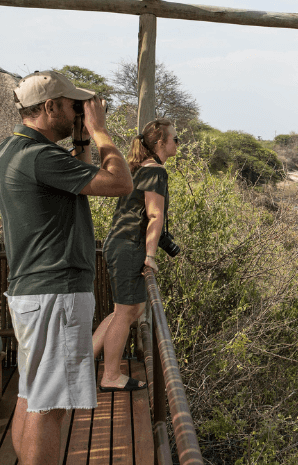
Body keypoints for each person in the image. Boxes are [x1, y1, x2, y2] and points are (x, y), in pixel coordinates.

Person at [0, 70, 132, 465]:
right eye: (73, 106)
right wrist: (101, 131)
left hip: (32, 291)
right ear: (49, 106)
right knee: (50, 406)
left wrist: (82, 139)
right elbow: (120, 183)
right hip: (56, 291)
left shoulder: (10, 150)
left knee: (33, 394)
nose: (79, 113)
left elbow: (75, 181)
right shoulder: (41, 157)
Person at [92, 119, 178, 392]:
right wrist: (150, 256)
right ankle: (110, 376)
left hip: (120, 243)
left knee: (126, 309)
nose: (178, 143)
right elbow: (154, 216)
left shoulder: (141, 168)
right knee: (127, 312)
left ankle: (83, 362)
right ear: (161, 143)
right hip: (129, 245)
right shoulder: (156, 172)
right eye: (175, 139)